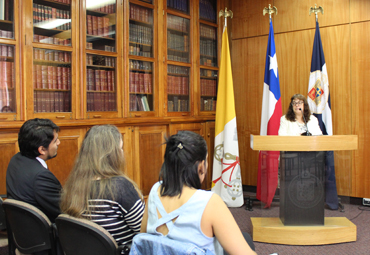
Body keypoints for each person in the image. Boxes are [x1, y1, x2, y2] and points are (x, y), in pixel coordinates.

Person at [140, 131, 256, 255]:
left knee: (245, 238)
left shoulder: (155, 191)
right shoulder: (210, 202)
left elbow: (143, 240)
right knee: (246, 242)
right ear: (201, 166)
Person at [60, 125, 145, 248]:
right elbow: (144, 231)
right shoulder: (120, 187)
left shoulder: (73, 185)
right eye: (120, 148)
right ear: (111, 155)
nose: (123, 153)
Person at [6, 118, 62, 222]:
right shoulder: (41, 177)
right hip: (46, 234)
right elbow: (65, 209)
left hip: (21, 230)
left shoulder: (16, 159)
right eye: (55, 141)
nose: (58, 143)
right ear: (42, 149)